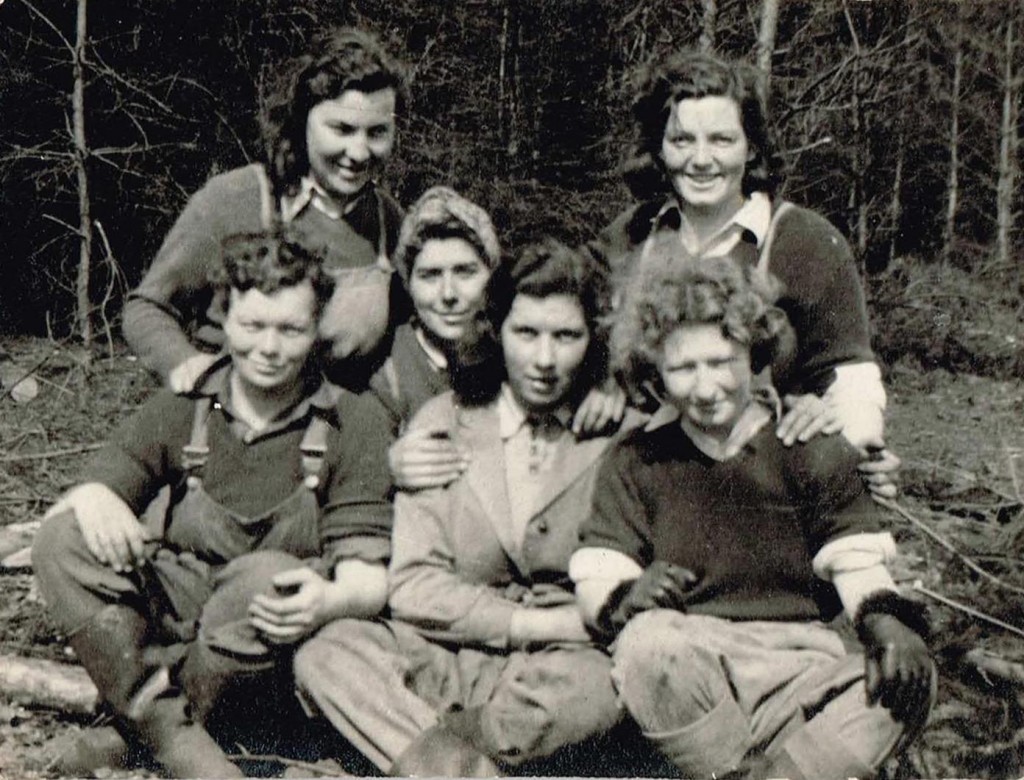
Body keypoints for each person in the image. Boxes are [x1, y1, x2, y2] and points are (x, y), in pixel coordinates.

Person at [33, 230, 394, 778]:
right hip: (173, 619)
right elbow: (100, 484)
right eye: (252, 327)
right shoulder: (188, 403)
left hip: (262, 651)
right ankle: (171, 738)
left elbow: (369, 578)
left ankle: (137, 733)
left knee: (267, 576)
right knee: (62, 538)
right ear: (225, 321)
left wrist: (330, 600)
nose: (269, 349)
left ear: (317, 328)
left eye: (290, 329)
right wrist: (96, 495)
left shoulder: (354, 419)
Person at [570, 249, 934, 780]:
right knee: (646, 644)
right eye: (683, 368)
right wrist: (624, 595)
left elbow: (853, 558)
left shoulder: (808, 445)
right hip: (696, 669)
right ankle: (752, 768)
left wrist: (886, 622)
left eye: (721, 362)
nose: (706, 386)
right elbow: (600, 564)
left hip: (800, 664)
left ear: (754, 355)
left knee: (909, 684)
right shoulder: (638, 457)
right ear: (656, 373)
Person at [294, 239, 644, 776]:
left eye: (566, 336)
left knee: (599, 692)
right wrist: (537, 624)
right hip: (454, 651)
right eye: (526, 333)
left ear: (593, 339)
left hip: (566, 668)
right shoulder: (445, 419)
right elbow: (413, 587)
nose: (545, 360)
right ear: (496, 330)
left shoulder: (622, 434)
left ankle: (415, 752)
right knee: (330, 653)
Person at [588, 49, 894, 470]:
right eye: (681, 140)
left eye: (721, 140)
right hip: (644, 480)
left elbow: (852, 383)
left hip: (762, 481)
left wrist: (847, 446)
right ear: (659, 149)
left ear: (751, 148)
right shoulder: (629, 236)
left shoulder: (808, 243)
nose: (700, 160)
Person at [123, 27, 407, 393]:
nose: (359, 152)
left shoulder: (388, 222)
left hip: (333, 434)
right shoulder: (238, 197)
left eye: (377, 133)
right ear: (303, 119)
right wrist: (187, 365)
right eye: (342, 129)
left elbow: (403, 347)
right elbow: (147, 308)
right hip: (230, 423)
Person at [376, 186, 629, 491]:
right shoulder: (387, 375)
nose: (448, 295)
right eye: (430, 275)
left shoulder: (524, 349)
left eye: (465, 272)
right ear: (408, 284)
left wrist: (609, 381)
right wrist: (387, 466)